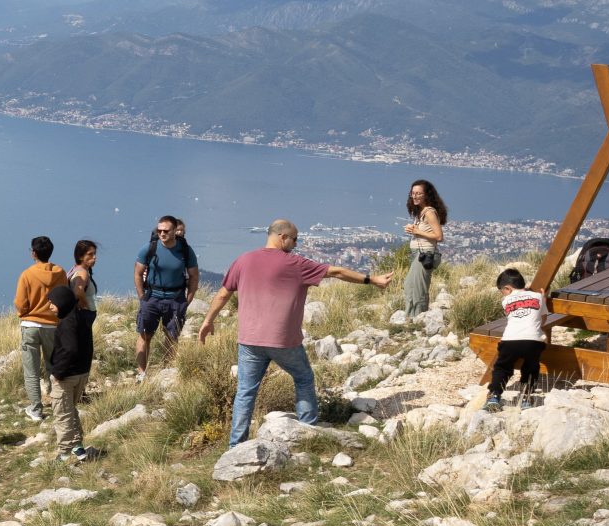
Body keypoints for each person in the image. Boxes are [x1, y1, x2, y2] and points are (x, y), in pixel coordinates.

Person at [197, 220, 394, 446]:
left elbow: (223, 294)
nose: (296, 244)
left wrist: (208, 321)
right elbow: (337, 272)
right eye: (295, 239)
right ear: (282, 237)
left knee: (245, 392)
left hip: (249, 341)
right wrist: (372, 280)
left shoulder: (244, 260)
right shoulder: (295, 263)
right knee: (303, 378)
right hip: (283, 341)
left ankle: (236, 445)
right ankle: (308, 433)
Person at [43, 239, 100, 462]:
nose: (49, 306)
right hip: (81, 372)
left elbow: (69, 349)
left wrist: (57, 372)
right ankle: (77, 447)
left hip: (67, 375)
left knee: (62, 413)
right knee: (70, 410)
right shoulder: (79, 321)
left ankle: (66, 453)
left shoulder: (67, 324)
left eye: (52, 303)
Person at [133, 215, 200, 378]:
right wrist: (142, 298)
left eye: (166, 231)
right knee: (144, 335)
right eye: (159, 230)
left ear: (174, 231)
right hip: (152, 298)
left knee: (172, 336)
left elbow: (194, 276)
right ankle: (141, 374)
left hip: (176, 299)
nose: (162, 234)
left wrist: (188, 299)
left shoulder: (185, 250)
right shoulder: (149, 248)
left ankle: (166, 373)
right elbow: (138, 273)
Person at [11, 236, 65, 420]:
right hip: (52, 326)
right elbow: (64, 298)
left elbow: (20, 303)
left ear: (33, 253)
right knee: (53, 367)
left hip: (30, 326)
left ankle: (35, 409)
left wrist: (25, 313)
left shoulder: (27, 274)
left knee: (31, 371)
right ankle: (58, 405)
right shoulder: (60, 273)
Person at [485, 268, 548, 412]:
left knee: (502, 368)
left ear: (508, 288)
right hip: (533, 341)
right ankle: (526, 397)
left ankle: (494, 395)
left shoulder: (506, 301)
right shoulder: (538, 297)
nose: (503, 294)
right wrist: (543, 299)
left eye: (502, 291)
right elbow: (543, 320)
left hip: (510, 340)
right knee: (531, 368)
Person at [402, 179, 448, 318]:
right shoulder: (421, 212)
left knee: (417, 287)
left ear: (426, 195)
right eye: (413, 193)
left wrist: (417, 231)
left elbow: (439, 236)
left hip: (426, 254)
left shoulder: (429, 212)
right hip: (418, 254)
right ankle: (413, 316)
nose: (414, 196)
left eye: (418, 193)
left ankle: (418, 317)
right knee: (410, 284)